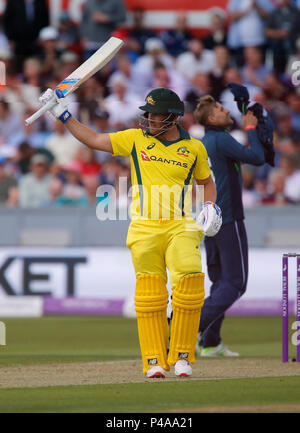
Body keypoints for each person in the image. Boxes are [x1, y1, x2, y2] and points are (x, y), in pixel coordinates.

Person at [38, 86, 221, 378]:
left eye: (155, 115)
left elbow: (207, 182)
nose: (148, 119)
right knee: (150, 294)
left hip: (181, 223)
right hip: (144, 225)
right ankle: (154, 361)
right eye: (146, 114)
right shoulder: (136, 139)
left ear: (173, 118)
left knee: (189, 281)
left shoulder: (194, 148)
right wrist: (62, 113)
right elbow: (95, 139)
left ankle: (183, 355)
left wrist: (211, 206)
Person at [193, 95, 265, 357]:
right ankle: (187, 329)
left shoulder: (205, 142)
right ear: (212, 118)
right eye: (222, 109)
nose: (226, 111)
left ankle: (210, 342)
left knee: (220, 282)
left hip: (208, 217)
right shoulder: (221, 138)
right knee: (235, 283)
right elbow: (257, 157)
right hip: (228, 216)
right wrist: (250, 127)